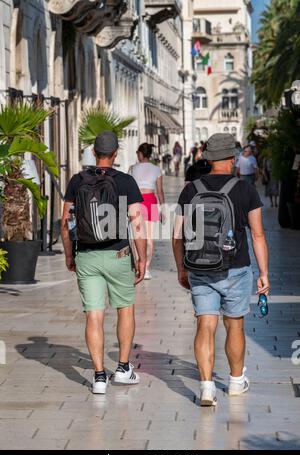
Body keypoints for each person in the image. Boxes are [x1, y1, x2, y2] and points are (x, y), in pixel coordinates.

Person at [173, 133, 270, 406]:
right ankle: (237, 382)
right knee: (234, 324)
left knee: (205, 324)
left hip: (200, 267)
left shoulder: (190, 189)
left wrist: (182, 268)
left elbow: (177, 236)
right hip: (236, 267)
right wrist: (264, 273)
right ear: (231, 158)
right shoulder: (244, 190)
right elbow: (258, 235)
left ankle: (206, 388)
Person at [61, 131, 147, 395]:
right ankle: (122, 369)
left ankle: (99, 376)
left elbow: (65, 223)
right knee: (125, 309)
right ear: (116, 154)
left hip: (87, 255)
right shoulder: (126, 181)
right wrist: (142, 257)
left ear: (94, 153)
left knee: (94, 315)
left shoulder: (77, 180)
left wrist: (68, 254)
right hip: (118, 255)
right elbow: (137, 222)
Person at [129, 142, 165, 280]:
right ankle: (147, 268)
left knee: (137, 236)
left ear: (140, 154)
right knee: (149, 238)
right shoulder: (156, 169)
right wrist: (162, 208)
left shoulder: (132, 168)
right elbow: (160, 191)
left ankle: (139, 265)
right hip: (150, 201)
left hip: (136, 201)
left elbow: (128, 187)